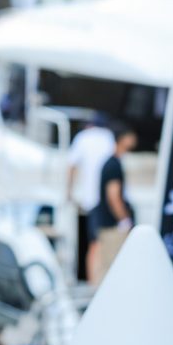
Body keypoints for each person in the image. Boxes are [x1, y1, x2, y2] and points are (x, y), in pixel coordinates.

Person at [66, 116, 116, 281]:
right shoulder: (109, 137)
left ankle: (92, 282)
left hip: (91, 199)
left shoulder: (83, 138)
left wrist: (69, 192)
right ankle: (98, 281)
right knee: (101, 243)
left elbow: (71, 165)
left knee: (95, 244)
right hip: (107, 199)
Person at [89, 124, 137, 284]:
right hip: (112, 225)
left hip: (108, 223)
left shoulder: (112, 162)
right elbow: (113, 196)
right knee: (111, 267)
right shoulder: (113, 164)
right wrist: (124, 219)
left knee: (109, 265)